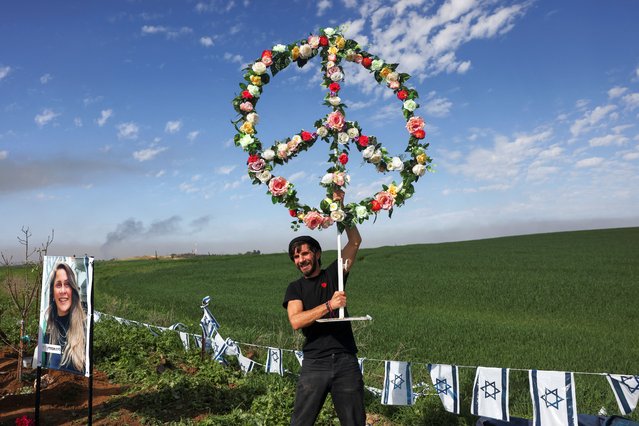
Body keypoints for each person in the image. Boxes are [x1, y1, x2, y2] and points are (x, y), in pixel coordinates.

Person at [283, 193, 365, 426]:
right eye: (296, 257)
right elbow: (296, 320)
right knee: (301, 422)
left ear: (317, 254)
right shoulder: (295, 288)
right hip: (314, 363)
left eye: (305, 253)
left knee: (354, 421)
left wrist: (341, 208)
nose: (301, 260)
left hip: (345, 359)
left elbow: (355, 241)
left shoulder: (335, 274)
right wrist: (330, 305)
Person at [43, 262, 86, 374]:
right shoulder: (48, 331)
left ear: (73, 290)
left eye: (67, 284)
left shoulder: (85, 329)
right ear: (53, 292)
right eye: (58, 285)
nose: (63, 291)